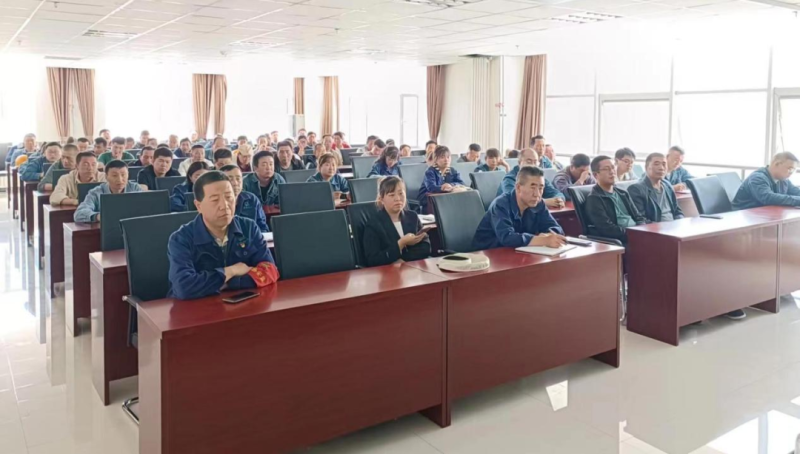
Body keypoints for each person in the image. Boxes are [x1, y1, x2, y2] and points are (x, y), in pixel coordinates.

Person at [167, 171, 279, 300]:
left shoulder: (248, 227)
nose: (224, 205)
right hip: (197, 308)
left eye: (229, 197)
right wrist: (231, 271)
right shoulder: (181, 239)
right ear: (198, 206)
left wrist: (228, 283)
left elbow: (270, 270)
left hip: (241, 304)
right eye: (215, 200)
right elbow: (184, 287)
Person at [473, 166, 566, 250]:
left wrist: (548, 235)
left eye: (541, 188)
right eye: (532, 187)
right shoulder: (500, 205)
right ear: (518, 187)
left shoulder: (538, 203)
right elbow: (507, 238)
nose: (537, 194)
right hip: (488, 254)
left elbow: (556, 228)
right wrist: (543, 240)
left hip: (520, 252)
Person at [363, 177, 431, 267]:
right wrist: (400, 244)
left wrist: (403, 260)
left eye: (401, 193)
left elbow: (425, 246)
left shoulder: (412, 216)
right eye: (392, 195)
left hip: (413, 268)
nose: (397, 198)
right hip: (387, 271)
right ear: (382, 199)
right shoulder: (374, 224)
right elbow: (373, 260)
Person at [585, 156, 646, 245]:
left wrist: (643, 231)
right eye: (606, 169)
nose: (612, 171)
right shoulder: (594, 199)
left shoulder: (623, 193)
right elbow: (607, 229)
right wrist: (633, 234)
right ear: (595, 175)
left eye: (613, 167)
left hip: (637, 235)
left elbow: (639, 217)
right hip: (622, 241)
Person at [74, 160, 142, 223]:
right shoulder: (96, 193)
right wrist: (98, 216)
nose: (120, 179)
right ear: (106, 177)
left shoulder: (135, 188)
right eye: (114, 175)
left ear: (128, 175)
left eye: (123, 175)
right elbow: (79, 214)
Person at [498, 148, 565, 208]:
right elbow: (514, 200)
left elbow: (556, 193)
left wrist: (558, 200)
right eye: (529, 162)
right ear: (519, 163)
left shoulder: (538, 177)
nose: (533, 165)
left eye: (535, 162)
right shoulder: (509, 179)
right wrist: (545, 202)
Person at [628, 153, 685, 223]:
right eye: (656, 164)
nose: (661, 168)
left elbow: (677, 211)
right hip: (655, 228)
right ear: (646, 167)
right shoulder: (636, 190)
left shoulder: (667, 185)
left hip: (673, 226)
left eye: (664, 164)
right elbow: (641, 220)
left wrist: (680, 222)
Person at [733, 152, 800, 210]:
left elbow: (796, 191)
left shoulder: (783, 180)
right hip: (744, 215)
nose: (791, 173)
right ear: (776, 164)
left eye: (793, 170)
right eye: (790, 169)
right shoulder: (757, 178)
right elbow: (768, 198)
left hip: (765, 214)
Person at [418, 146, 467, 212]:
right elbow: (431, 187)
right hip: (429, 201)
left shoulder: (452, 170)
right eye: (442, 157)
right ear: (436, 159)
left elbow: (462, 183)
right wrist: (443, 188)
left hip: (445, 199)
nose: (446, 160)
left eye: (448, 157)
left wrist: (450, 185)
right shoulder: (430, 171)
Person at [220, 165, 269, 232]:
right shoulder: (218, 203)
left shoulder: (251, 199)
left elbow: (263, 227)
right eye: (230, 179)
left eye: (238, 179)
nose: (235, 183)